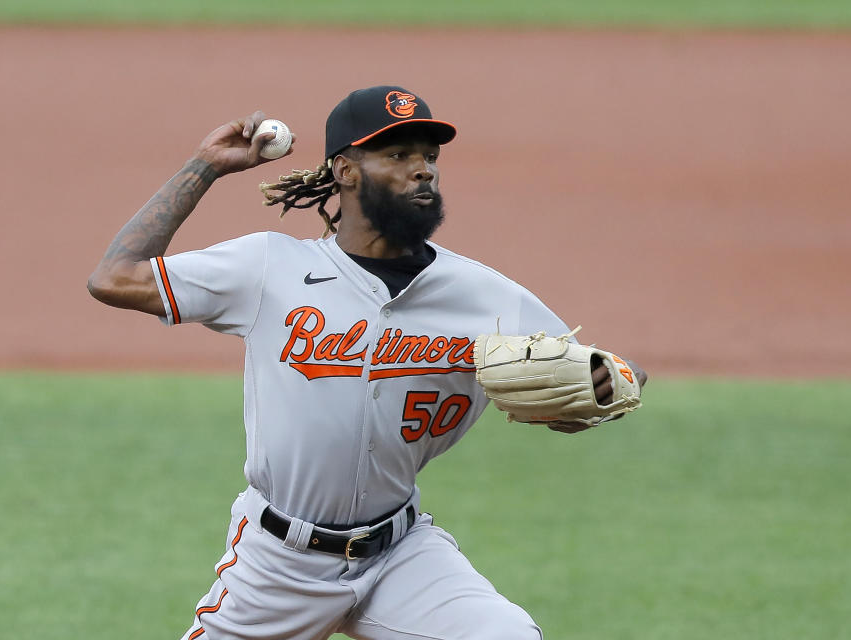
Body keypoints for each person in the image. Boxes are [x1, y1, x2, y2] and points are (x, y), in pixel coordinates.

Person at [88, 85, 647, 640]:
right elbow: (114, 278)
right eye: (397, 155)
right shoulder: (268, 267)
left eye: (428, 156)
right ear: (345, 170)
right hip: (279, 562)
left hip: (399, 555)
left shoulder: (486, 295)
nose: (422, 170)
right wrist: (204, 167)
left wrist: (609, 384)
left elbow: (595, 383)